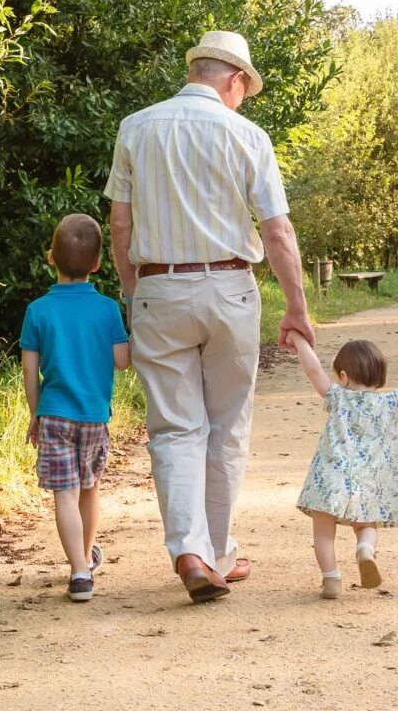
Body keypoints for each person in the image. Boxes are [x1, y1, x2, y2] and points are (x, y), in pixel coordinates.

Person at [104, 30, 315, 603]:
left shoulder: (135, 128)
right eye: (246, 87)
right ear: (234, 79)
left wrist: (134, 292)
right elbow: (276, 228)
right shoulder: (247, 135)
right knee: (227, 426)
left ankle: (190, 550)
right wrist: (296, 305)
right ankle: (218, 552)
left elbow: (119, 224)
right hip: (229, 288)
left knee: (174, 427)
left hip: (158, 288)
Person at [20, 213, 133, 603]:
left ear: (51, 257)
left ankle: (80, 571)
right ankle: (85, 557)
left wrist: (34, 413)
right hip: (94, 417)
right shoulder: (106, 310)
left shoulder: (38, 311)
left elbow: (30, 372)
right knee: (89, 488)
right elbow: (122, 361)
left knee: (63, 494)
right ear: (98, 264)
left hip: (54, 414)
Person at [289, 337, 398, 599]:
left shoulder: (337, 397)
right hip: (370, 481)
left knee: (324, 532)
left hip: (331, 477)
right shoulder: (390, 402)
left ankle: (331, 579)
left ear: (343, 376)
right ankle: (365, 549)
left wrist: (298, 339)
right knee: (365, 525)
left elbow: (313, 370)